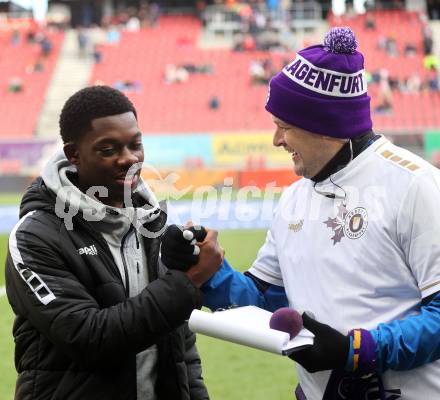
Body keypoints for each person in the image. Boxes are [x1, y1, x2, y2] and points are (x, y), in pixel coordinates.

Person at [167, 27, 440, 399]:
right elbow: (266, 301)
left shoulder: (415, 186)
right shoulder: (294, 198)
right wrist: (209, 271)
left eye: (284, 127)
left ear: (325, 126)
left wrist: (355, 351)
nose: (276, 141)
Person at [5, 85, 224, 400]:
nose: (129, 159)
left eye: (135, 145)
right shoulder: (35, 236)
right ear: (74, 155)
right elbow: (89, 339)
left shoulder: (155, 222)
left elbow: (180, 348)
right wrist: (187, 282)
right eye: (108, 149)